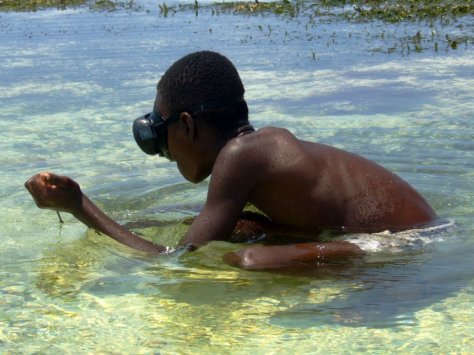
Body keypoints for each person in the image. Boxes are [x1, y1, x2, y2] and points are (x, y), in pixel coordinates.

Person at [25, 51, 438, 270]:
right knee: (241, 227)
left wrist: (81, 207)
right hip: (413, 230)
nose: (164, 152)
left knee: (246, 259)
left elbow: (176, 259)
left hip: (402, 243)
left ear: (186, 126)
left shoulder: (240, 156)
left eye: (161, 134)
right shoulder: (257, 150)